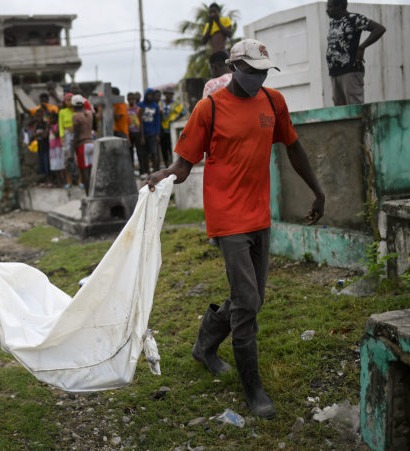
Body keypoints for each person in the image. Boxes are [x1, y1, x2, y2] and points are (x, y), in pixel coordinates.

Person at [145, 40, 325, 419]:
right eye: (252, 71)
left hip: (260, 214)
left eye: (263, 72)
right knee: (247, 304)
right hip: (227, 219)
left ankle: (204, 345)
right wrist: (164, 175)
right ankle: (253, 388)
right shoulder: (208, 108)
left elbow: (293, 147)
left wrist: (318, 190)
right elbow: (183, 166)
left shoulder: (273, 102)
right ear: (234, 67)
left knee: (252, 299)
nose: (258, 78)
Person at [326, 0, 386, 105]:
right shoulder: (334, 22)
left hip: (350, 71)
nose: (327, 10)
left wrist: (362, 47)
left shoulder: (355, 19)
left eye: (330, 7)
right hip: (335, 72)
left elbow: (379, 29)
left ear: (340, 6)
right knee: (339, 111)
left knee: (355, 108)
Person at [71, 94, 94, 194]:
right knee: (91, 171)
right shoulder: (89, 114)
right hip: (91, 143)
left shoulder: (75, 116)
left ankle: (88, 195)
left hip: (82, 145)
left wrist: (71, 152)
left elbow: (76, 135)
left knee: (84, 173)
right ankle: (94, 193)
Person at [159, 87, 184, 168]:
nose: (169, 95)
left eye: (170, 94)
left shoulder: (176, 104)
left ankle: (173, 164)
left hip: (171, 130)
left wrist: (175, 119)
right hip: (162, 129)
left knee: (171, 147)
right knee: (164, 148)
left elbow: (183, 112)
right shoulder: (160, 103)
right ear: (165, 94)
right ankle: (166, 164)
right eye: (167, 94)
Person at [138, 88, 161, 174]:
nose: (150, 96)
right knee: (145, 154)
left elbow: (157, 121)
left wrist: (157, 134)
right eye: (148, 94)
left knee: (154, 153)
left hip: (153, 133)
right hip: (143, 133)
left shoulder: (155, 106)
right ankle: (147, 172)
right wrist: (142, 136)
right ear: (145, 95)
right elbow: (139, 121)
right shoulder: (140, 105)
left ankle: (155, 171)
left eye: (152, 95)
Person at [59, 93, 79, 188]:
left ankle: (79, 180)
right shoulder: (62, 112)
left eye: (71, 99)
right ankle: (69, 181)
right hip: (67, 135)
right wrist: (62, 137)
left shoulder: (76, 111)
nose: (69, 102)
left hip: (76, 134)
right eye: (67, 100)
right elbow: (60, 126)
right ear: (64, 101)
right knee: (67, 159)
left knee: (78, 158)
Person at [48, 112, 66, 187]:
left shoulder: (58, 125)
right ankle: (59, 182)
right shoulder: (50, 126)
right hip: (52, 149)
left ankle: (63, 181)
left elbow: (57, 134)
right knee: (55, 166)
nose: (50, 120)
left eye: (52, 118)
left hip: (58, 147)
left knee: (60, 165)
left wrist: (51, 127)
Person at [33, 108, 50, 185]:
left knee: (47, 165)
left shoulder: (46, 124)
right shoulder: (36, 125)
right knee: (41, 165)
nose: (38, 118)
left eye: (40, 116)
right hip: (40, 147)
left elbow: (46, 135)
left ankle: (48, 181)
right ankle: (43, 181)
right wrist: (41, 134)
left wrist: (38, 134)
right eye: (37, 116)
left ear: (42, 116)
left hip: (46, 147)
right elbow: (33, 134)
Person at [127, 92, 142, 170]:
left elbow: (141, 122)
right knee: (130, 152)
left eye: (132, 99)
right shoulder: (126, 109)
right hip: (129, 133)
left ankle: (142, 170)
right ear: (127, 100)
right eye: (130, 99)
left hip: (137, 132)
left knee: (140, 152)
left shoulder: (138, 109)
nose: (131, 101)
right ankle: (131, 169)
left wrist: (142, 136)